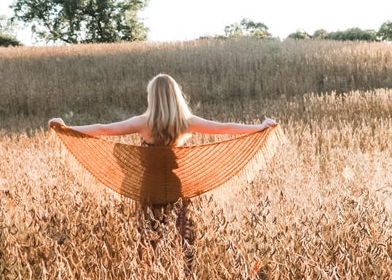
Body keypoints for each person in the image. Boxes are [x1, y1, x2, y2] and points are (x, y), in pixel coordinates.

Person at [49, 73, 277, 268]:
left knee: (149, 239)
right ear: (176, 96)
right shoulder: (186, 121)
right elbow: (224, 128)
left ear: (152, 98)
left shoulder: (143, 122)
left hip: (149, 187)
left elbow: (103, 129)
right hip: (176, 186)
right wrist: (259, 127)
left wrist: (67, 128)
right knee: (182, 236)